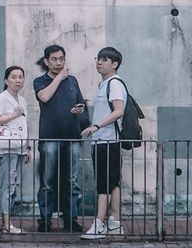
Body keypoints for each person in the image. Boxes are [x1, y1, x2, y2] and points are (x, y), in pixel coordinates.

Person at [34, 45, 87, 233]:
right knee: (47, 180)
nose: (59, 62)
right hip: (49, 138)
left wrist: (79, 108)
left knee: (72, 180)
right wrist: (59, 77)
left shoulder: (72, 80)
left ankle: (71, 218)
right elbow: (45, 97)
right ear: (47, 61)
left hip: (72, 137)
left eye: (61, 59)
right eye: (54, 59)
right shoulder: (40, 81)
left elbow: (80, 102)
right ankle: (45, 220)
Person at [80, 47, 126, 239]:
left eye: (104, 59)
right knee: (112, 183)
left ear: (114, 64)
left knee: (103, 185)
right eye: (98, 58)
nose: (99, 62)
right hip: (103, 142)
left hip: (108, 141)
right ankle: (115, 223)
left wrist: (96, 126)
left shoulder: (114, 84)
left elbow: (119, 110)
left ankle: (99, 224)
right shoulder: (105, 84)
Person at [0, 65, 31, 234]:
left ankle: (7, 222)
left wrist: (27, 147)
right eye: (13, 77)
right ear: (6, 80)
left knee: (13, 186)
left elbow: (23, 125)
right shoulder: (2, 97)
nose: (17, 80)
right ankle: (5, 223)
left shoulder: (21, 100)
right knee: (8, 185)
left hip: (19, 148)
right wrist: (13, 115)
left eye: (20, 77)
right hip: (7, 148)